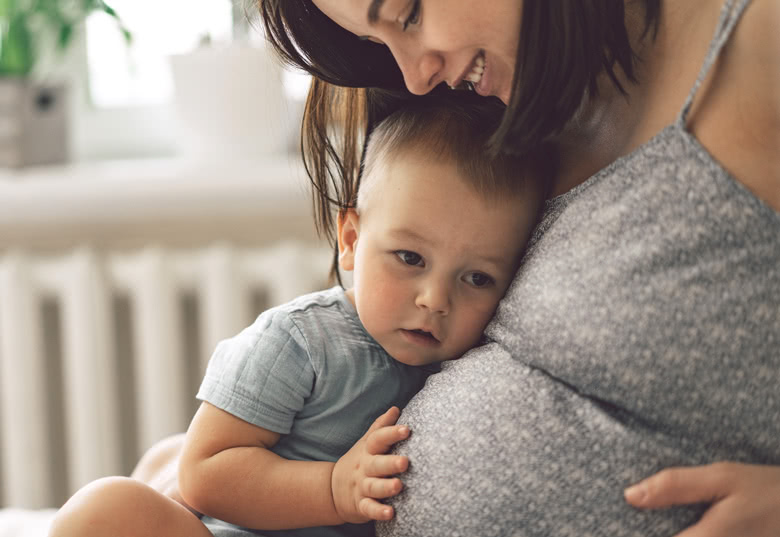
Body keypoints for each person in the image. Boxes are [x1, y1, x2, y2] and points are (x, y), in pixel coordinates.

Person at [63, 0, 779, 535]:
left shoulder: (757, 48)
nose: (414, 72)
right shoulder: (512, 100)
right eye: (378, 39)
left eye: (406, 11)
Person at [47, 97, 548, 537]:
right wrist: (332, 488)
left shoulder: (473, 364)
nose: (436, 299)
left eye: (477, 279)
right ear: (350, 241)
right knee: (108, 507)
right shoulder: (301, 340)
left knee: (163, 460)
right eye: (410, 258)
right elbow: (206, 470)